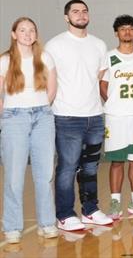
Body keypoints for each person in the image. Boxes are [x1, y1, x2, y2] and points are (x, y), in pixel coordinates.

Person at [45, 0, 113, 231]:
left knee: (91, 167)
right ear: (67, 17)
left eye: (84, 11)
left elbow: (99, 76)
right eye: (75, 11)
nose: (81, 15)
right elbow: (47, 79)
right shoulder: (55, 45)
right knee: (68, 167)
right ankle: (65, 215)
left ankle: (90, 210)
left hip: (94, 117)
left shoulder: (99, 44)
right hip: (66, 117)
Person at [0, 17, 58, 242]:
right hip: (14, 118)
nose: (27, 34)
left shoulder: (45, 57)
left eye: (31, 30)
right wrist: (7, 114)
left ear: (36, 34)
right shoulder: (5, 60)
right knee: (14, 176)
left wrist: (41, 108)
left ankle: (47, 223)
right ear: (14, 34)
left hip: (43, 117)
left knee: (45, 174)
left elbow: (51, 90)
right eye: (22, 30)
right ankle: (12, 227)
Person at [100, 15, 133, 219]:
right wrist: (113, 103)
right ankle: (115, 202)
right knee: (116, 161)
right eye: (123, 29)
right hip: (116, 117)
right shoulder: (108, 57)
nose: (127, 32)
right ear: (116, 33)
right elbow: (103, 85)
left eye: (131, 28)